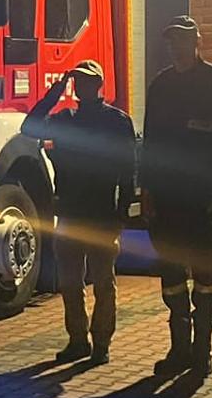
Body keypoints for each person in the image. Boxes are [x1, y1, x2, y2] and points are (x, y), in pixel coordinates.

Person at [142, 15, 212, 376]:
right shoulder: (161, 85)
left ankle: (202, 352)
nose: (176, 46)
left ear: (197, 41)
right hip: (166, 197)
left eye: (183, 39)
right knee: (171, 276)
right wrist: (146, 190)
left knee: (203, 275)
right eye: (172, 40)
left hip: (201, 198)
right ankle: (179, 349)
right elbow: (150, 143)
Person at [21, 60, 136, 366]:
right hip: (71, 212)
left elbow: (129, 170)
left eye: (89, 81)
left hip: (102, 214)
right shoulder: (65, 118)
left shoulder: (117, 121)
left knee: (104, 284)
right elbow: (29, 127)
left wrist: (122, 213)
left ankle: (101, 343)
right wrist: (56, 92)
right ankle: (78, 340)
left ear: (99, 84)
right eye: (79, 81)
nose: (83, 86)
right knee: (71, 284)